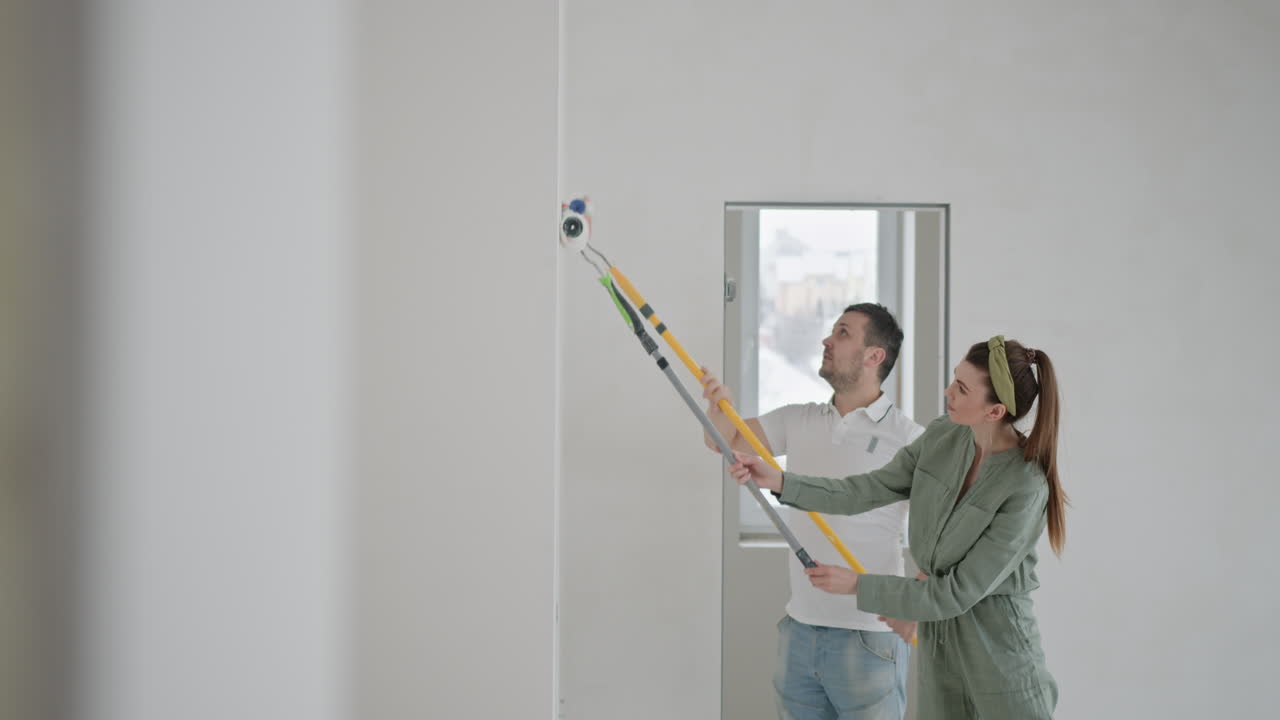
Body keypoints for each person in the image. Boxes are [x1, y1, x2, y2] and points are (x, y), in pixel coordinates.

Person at [728, 336, 1065, 719]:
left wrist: (857, 584)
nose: (948, 391)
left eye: (962, 388)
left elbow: (955, 593)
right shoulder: (942, 436)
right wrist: (782, 481)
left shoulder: (1025, 485)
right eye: (954, 379)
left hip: (999, 650)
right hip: (940, 645)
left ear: (995, 411)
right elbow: (866, 489)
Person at [702, 303, 923, 720]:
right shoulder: (798, 419)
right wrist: (719, 405)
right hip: (800, 631)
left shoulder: (910, 439)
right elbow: (724, 440)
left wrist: (918, 595)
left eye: (842, 333)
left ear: (875, 356)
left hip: (870, 638)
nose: (827, 340)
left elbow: (943, 532)